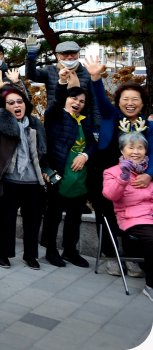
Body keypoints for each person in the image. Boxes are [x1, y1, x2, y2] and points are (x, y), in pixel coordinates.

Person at [84, 56, 153, 277]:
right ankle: (111, 257)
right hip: (106, 176)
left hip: (136, 180)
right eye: (125, 99)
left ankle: (132, 259)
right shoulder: (111, 115)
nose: (130, 103)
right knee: (106, 216)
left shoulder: (148, 126)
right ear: (119, 101)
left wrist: (149, 175)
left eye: (136, 99)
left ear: (143, 103)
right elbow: (101, 99)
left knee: (135, 217)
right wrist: (95, 77)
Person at [0, 71, 49, 269]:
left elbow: (42, 151)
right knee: (6, 220)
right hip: (10, 179)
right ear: (4, 107)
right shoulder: (1, 123)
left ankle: (30, 256)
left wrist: (18, 82)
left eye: (19, 101)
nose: (16, 105)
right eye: (10, 103)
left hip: (33, 181)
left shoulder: (35, 124)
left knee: (33, 220)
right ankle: (3, 254)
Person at [40, 70, 96, 268]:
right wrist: (62, 82)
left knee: (74, 217)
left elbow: (91, 144)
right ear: (66, 99)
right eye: (74, 98)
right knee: (53, 216)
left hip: (80, 179)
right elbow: (55, 102)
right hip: (59, 176)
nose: (77, 103)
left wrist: (85, 155)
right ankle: (50, 250)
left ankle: (70, 250)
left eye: (81, 101)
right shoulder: (55, 116)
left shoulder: (85, 120)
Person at [102, 133, 153, 301]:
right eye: (131, 148)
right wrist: (123, 178)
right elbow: (110, 195)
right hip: (132, 219)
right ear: (122, 151)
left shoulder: (148, 173)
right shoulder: (112, 172)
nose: (136, 152)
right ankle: (151, 286)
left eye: (140, 147)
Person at [26, 39, 100, 129]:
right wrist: (31, 57)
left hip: (81, 123)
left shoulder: (87, 73)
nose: (69, 57)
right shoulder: (50, 71)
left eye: (73, 53)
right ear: (58, 56)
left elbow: (94, 102)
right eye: (65, 54)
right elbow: (31, 75)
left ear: (79, 54)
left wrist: (96, 127)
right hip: (55, 122)